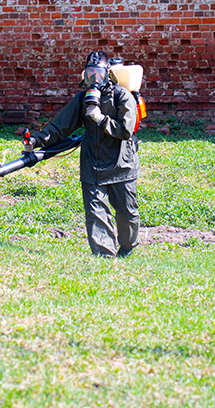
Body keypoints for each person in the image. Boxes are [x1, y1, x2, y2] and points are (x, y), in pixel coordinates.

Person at [28, 51, 140, 258]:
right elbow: (60, 126)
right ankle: (104, 258)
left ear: (108, 73)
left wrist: (100, 118)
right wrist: (37, 140)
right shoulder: (82, 99)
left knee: (127, 214)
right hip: (93, 165)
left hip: (121, 165)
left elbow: (126, 130)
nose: (94, 79)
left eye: (98, 73)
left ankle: (128, 247)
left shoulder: (121, 96)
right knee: (96, 214)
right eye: (90, 73)